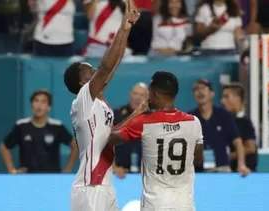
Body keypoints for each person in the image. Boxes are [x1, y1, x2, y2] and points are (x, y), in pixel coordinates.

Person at [65, 1, 140, 210]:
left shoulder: (99, 101)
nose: (94, 68)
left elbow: (113, 64)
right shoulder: (83, 99)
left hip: (105, 184)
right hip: (90, 185)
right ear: (82, 82)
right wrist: (122, 27)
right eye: (89, 69)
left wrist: (127, 28)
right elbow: (106, 66)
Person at [108, 71, 204, 211]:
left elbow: (111, 139)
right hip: (185, 203)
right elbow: (197, 160)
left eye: (149, 93)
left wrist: (136, 112)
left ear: (156, 95)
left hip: (155, 204)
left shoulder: (144, 122)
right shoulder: (193, 122)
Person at [0, 89, 78, 173]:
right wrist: (12, 170)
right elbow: (4, 147)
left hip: (52, 177)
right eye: (36, 101)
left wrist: (67, 169)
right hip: (27, 177)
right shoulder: (21, 126)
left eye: (43, 102)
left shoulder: (57, 126)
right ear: (31, 105)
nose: (39, 105)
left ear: (49, 107)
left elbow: (75, 147)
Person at [189, 79, 250, 175]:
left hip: (222, 169)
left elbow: (238, 143)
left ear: (212, 93)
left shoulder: (224, 116)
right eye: (196, 89)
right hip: (198, 171)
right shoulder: (190, 118)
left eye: (203, 88)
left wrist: (241, 165)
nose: (200, 92)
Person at [113, 82, 149, 178]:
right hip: (119, 173)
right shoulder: (116, 115)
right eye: (135, 93)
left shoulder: (153, 118)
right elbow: (104, 143)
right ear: (130, 95)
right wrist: (113, 167)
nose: (138, 98)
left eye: (142, 95)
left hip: (146, 173)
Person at [221, 83, 257, 172]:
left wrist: (227, 156)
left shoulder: (244, 122)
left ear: (237, 99)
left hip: (244, 175)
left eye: (226, 97)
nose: (223, 101)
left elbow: (251, 148)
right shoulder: (227, 120)